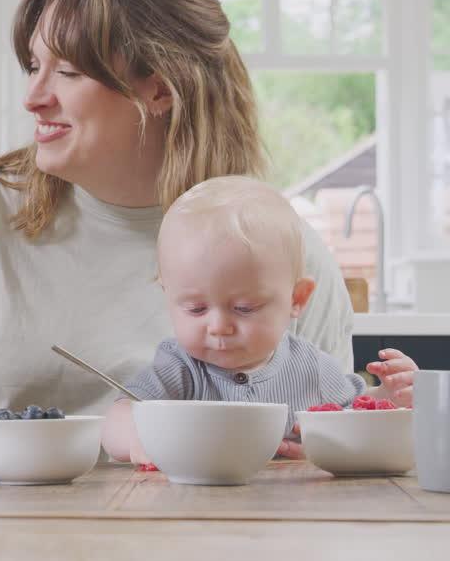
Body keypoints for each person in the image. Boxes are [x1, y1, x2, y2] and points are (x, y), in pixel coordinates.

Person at [0, 0, 354, 432]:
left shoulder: (288, 254)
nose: (33, 98)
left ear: (161, 89)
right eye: (34, 66)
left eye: (69, 72)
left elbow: (329, 447)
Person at [99, 176, 417, 465]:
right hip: (195, 511)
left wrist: (392, 396)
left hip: (293, 511)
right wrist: (137, 441)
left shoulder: (313, 369)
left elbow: (356, 414)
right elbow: (120, 415)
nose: (218, 327)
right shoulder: (179, 367)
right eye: (196, 309)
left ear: (297, 299)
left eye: (245, 308)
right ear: (168, 296)